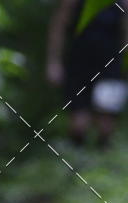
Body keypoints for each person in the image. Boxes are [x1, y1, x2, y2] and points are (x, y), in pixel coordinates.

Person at [47, 0, 128, 147]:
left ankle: (102, 161)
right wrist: (54, 62)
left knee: (106, 125)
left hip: (111, 64)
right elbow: (59, 25)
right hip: (79, 62)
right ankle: (77, 161)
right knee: (79, 125)